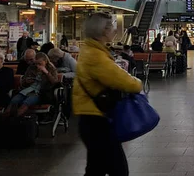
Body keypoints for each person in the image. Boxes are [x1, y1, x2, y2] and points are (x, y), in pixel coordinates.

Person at [73, 12, 142, 176]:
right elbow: (123, 81)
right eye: (112, 27)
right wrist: (137, 83)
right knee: (118, 169)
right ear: (103, 31)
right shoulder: (96, 56)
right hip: (97, 119)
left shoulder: (90, 50)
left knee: (95, 168)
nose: (115, 31)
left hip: (90, 116)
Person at [8, 52, 58, 117]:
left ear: (45, 61)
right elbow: (23, 81)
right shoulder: (31, 68)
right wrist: (26, 81)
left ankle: (13, 118)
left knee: (27, 102)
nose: (38, 66)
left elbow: (54, 82)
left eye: (40, 64)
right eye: (36, 63)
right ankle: (4, 117)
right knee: (14, 100)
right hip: (28, 89)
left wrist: (46, 72)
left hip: (41, 92)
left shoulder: (51, 69)